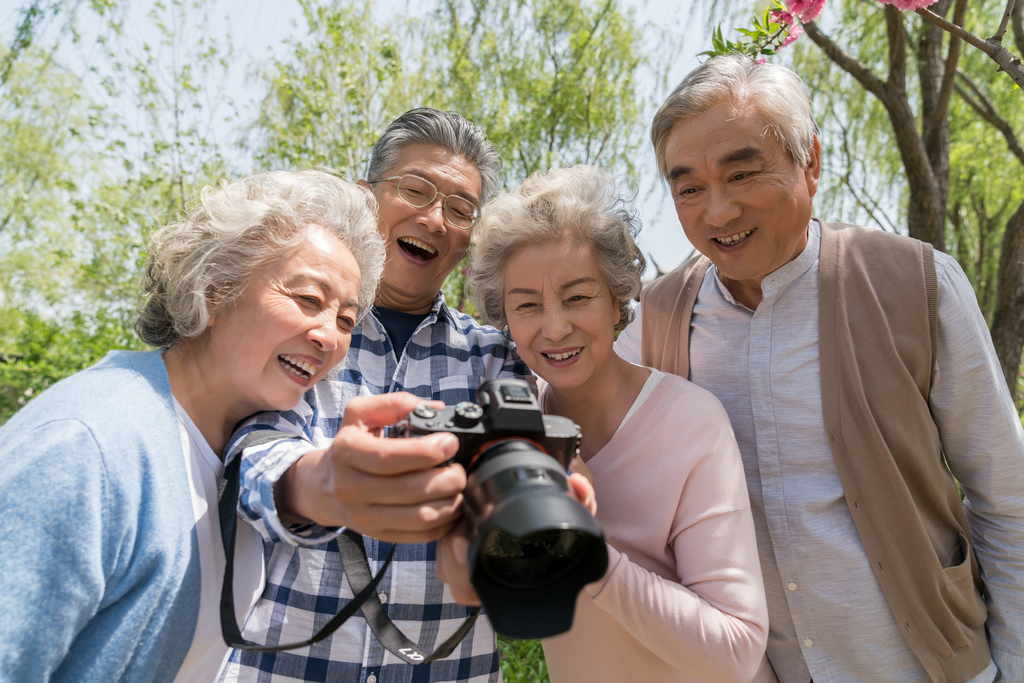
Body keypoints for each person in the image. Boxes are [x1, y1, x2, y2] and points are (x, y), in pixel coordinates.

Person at [613, 54, 1024, 683]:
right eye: (688, 187)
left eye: (742, 174)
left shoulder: (919, 285)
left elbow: (1007, 497)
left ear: (811, 163)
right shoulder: (657, 320)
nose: (717, 212)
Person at [0, 169, 384, 682]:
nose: (328, 337)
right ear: (215, 291)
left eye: (346, 320)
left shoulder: (240, 456)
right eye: (309, 299)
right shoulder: (86, 445)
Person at [218, 108, 536, 683]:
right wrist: (316, 484)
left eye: (460, 209)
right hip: (287, 664)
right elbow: (248, 451)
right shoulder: (301, 328)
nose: (435, 219)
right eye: (415, 190)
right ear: (367, 198)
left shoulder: (498, 358)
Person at [443, 164, 771, 683]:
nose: (555, 327)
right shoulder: (513, 427)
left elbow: (737, 650)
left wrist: (584, 552)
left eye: (578, 297)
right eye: (527, 305)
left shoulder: (690, 422)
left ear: (618, 299)